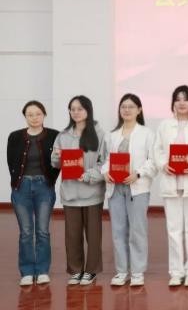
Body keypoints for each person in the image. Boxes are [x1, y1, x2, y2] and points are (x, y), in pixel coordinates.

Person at [153, 85, 188, 287]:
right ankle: (176, 271)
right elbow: (157, 150)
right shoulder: (164, 125)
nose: (181, 103)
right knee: (173, 229)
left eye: (185, 99)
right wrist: (163, 165)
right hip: (171, 183)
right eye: (177, 99)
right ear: (173, 103)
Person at [102, 93, 156, 287]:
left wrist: (138, 174)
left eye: (131, 106)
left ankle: (137, 271)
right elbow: (106, 159)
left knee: (137, 230)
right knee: (118, 230)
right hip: (115, 188)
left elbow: (153, 161)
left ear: (139, 110)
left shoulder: (147, 134)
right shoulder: (112, 135)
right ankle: (122, 271)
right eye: (123, 106)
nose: (126, 110)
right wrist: (105, 172)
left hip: (137, 189)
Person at [51, 95, 106, 285]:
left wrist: (89, 175)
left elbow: (104, 162)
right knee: (72, 235)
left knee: (93, 235)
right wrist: (57, 156)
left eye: (80, 109)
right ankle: (75, 270)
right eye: (72, 109)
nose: (76, 112)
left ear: (88, 111)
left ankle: (91, 270)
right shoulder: (63, 135)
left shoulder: (99, 134)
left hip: (92, 192)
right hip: (70, 193)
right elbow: (55, 163)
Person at [7, 100, 60, 286]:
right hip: (21, 188)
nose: (34, 118)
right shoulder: (14, 136)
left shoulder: (54, 135)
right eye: (30, 114)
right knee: (26, 232)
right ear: (25, 117)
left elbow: (57, 162)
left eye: (38, 114)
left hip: (44, 187)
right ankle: (27, 271)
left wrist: (50, 180)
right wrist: (17, 183)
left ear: (44, 115)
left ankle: (43, 270)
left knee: (43, 231)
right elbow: (11, 163)